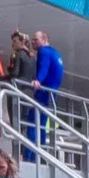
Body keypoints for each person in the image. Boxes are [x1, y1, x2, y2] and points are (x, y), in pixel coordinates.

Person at [33, 30, 66, 161]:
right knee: (41, 122)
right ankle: (39, 155)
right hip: (52, 92)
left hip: (44, 91)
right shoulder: (55, 53)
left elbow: (44, 68)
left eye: (35, 39)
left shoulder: (44, 52)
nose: (32, 42)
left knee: (32, 122)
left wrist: (38, 81)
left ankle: (31, 157)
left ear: (44, 39)